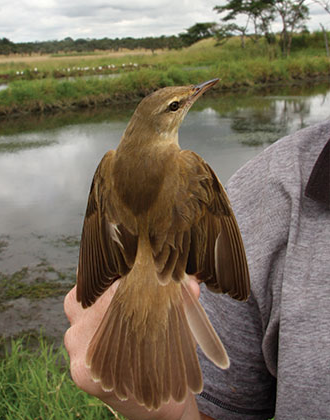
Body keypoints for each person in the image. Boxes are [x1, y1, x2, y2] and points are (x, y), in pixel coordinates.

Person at [63, 119, 330, 419]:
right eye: (176, 106)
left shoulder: (112, 167)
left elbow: (96, 229)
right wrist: (173, 416)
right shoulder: (272, 185)